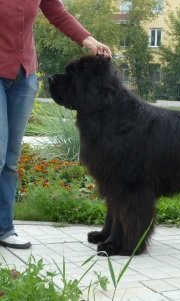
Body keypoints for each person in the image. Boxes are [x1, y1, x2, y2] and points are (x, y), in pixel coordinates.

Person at [0, 1, 112, 249]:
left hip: (23, 77)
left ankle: (4, 229)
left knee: (10, 159)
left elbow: (57, 13)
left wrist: (89, 40)